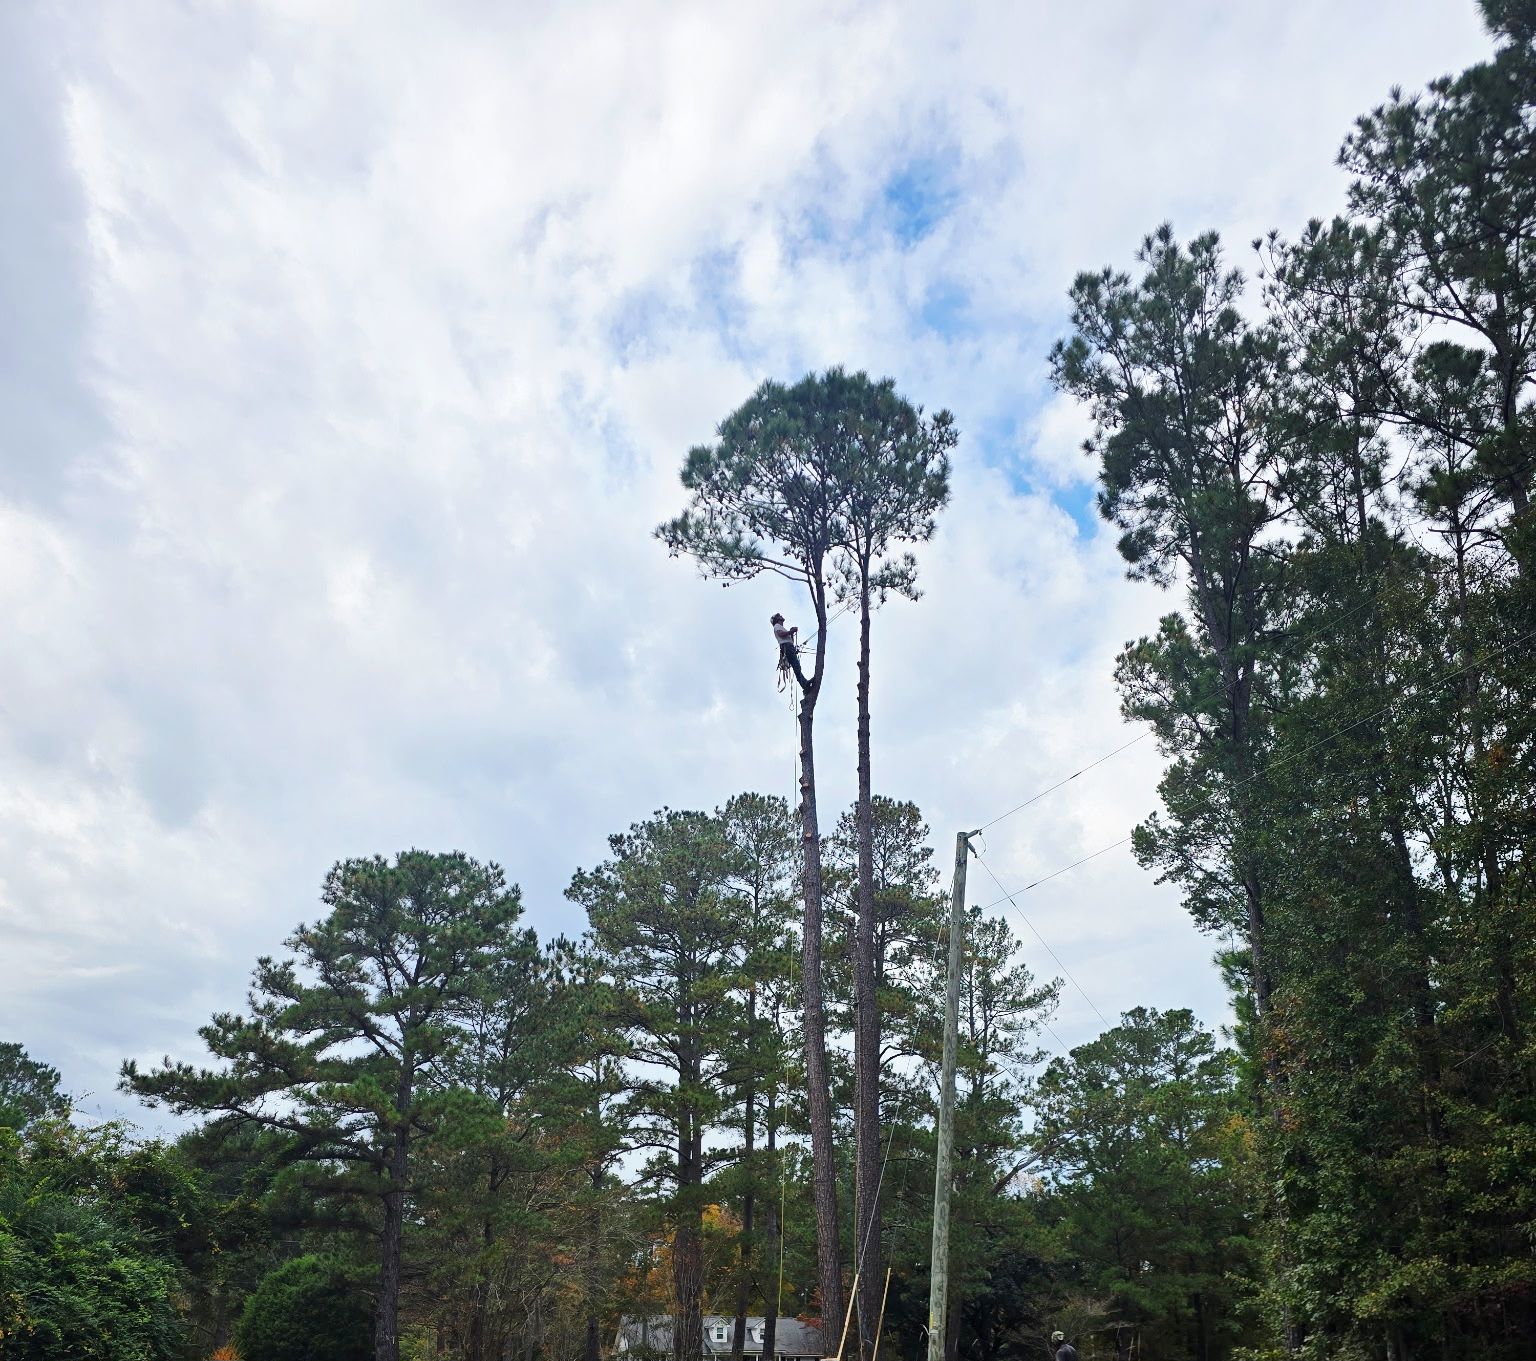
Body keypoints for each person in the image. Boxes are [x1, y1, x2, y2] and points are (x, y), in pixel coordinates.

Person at [771, 613, 806, 687]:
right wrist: (791, 631)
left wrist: (791, 633)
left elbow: (790, 641)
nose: (781, 616)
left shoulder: (780, 627)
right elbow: (781, 634)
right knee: (796, 666)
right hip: (787, 647)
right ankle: (805, 685)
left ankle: (805, 684)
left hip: (788, 646)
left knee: (797, 666)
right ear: (777, 619)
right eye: (779, 616)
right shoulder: (777, 626)